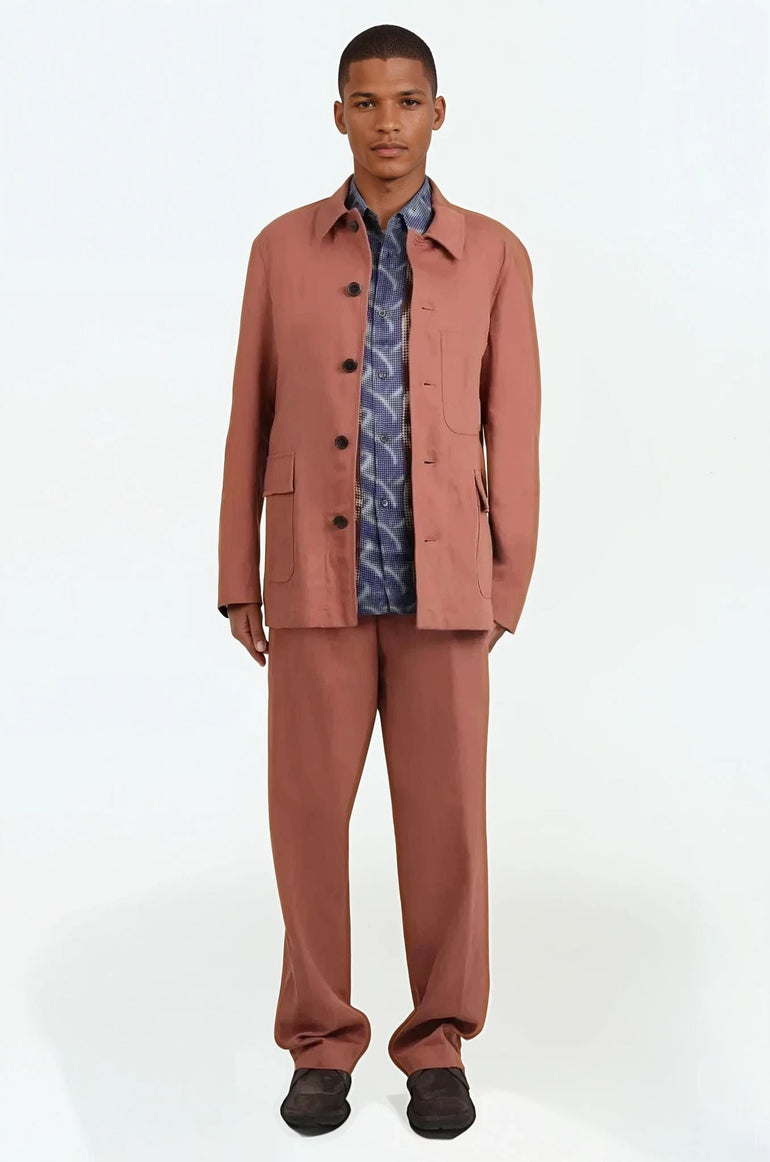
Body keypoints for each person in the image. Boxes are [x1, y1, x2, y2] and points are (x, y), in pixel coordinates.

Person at [217, 23, 541, 1138]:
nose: (386, 123)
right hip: (316, 582)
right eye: (366, 102)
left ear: (437, 113)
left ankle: (437, 1041)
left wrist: (505, 582)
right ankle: (320, 1041)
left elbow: (514, 428)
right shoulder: (279, 251)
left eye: (407, 102)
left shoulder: (494, 255)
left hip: (446, 591)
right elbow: (248, 416)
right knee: (307, 819)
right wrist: (239, 573)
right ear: (338, 115)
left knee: (447, 827)